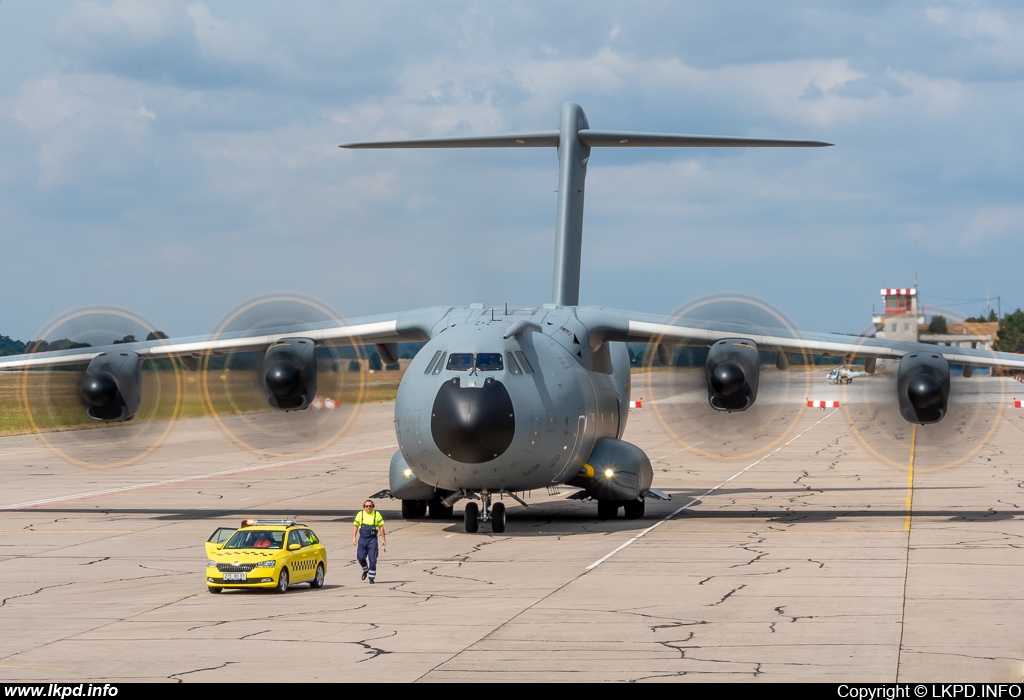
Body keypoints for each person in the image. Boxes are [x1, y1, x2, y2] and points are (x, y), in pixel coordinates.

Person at [352, 500, 386, 584]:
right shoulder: (360, 514)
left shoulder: (376, 514)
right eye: (367, 506)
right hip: (363, 539)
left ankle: (371, 578)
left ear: (373, 506)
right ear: (364, 506)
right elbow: (355, 526)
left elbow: (381, 527)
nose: (368, 508)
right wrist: (354, 538)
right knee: (361, 557)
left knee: (373, 559)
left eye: (370, 506)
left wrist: (383, 539)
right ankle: (365, 569)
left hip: (372, 540)